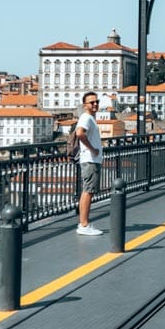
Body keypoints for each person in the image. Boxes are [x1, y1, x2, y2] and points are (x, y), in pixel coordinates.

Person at [74, 92, 104, 236]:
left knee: (88, 191)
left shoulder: (90, 118)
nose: (95, 104)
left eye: (97, 101)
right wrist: (92, 148)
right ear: (85, 105)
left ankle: (84, 223)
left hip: (90, 159)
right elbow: (80, 133)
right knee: (88, 191)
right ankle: (84, 224)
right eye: (92, 103)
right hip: (90, 159)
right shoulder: (86, 118)